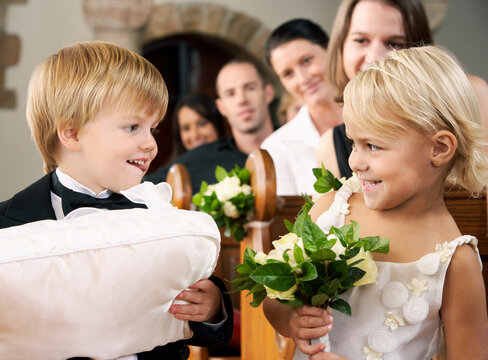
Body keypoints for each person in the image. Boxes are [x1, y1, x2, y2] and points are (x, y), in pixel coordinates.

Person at [0, 41, 233, 360]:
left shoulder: (158, 213)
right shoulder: (7, 226)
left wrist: (212, 307)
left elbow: (188, 290)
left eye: (152, 128)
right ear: (72, 133)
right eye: (133, 127)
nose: (151, 144)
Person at [264, 45, 488, 360]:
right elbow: (274, 298)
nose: (355, 161)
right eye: (353, 143)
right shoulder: (332, 206)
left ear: (438, 148)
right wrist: (291, 319)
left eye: (373, 145)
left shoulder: (455, 261)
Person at [316, 0, 488, 179]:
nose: (375, 57)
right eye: (361, 40)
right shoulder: (330, 147)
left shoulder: (473, 94)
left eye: (395, 43)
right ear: (341, 46)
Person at [145, 59, 275, 192]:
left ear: (268, 93)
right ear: (221, 106)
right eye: (231, 93)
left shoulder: (292, 144)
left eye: (250, 88)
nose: (242, 99)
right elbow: (138, 192)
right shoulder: (200, 158)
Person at [260, 18, 343, 195]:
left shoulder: (377, 116)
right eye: (288, 73)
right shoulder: (277, 148)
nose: (303, 78)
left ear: (330, 50)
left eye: (306, 61)